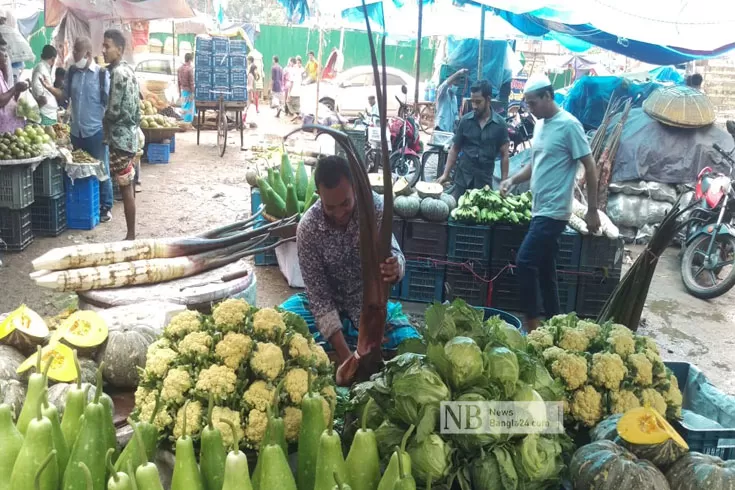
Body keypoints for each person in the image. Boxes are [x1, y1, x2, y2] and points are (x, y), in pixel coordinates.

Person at [280, 156, 420, 365]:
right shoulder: (308, 228)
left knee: (411, 344)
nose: (339, 213)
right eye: (330, 206)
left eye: (345, 203)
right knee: (280, 324)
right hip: (326, 304)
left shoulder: (374, 207)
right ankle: (342, 341)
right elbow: (319, 299)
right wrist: (348, 359)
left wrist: (396, 266)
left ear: (354, 187)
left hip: (369, 306)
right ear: (319, 195)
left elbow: (394, 252)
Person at [499, 74, 600, 332]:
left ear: (547, 96)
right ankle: (557, 326)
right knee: (545, 271)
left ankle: (532, 327)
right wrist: (512, 180)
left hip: (554, 212)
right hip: (538, 208)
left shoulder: (569, 125)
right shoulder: (542, 125)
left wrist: (592, 210)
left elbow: (590, 165)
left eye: (533, 103)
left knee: (524, 262)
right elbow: (537, 163)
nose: (530, 109)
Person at [53, 37, 113, 222]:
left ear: (87, 54)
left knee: (101, 168)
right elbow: (65, 96)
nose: (73, 55)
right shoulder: (72, 72)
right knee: (77, 169)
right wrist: (49, 89)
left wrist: (107, 131)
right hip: (76, 131)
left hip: (95, 131)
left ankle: (105, 206)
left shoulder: (102, 75)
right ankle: (83, 205)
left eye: (76, 51)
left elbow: (109, 105)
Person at [436, 79, 510, 199]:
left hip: (484, 184)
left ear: (488, 100)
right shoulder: (465, 121)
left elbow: (504, 155)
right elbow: (455, 149)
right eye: (472, 101)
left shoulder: (500, 125)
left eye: (478, 102)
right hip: (462, 180)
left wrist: (504, 181)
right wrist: (445, 174)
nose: (474, 106)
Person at [102, 29, 140, 240]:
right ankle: (131, 233)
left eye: (107, 46)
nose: (104, 50)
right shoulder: (129, 71)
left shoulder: (117, 74)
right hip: (130, 136)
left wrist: (102, 120)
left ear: (120, 49)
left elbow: (114, 111)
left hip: (119, 138)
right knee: (129, 185)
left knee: (125, 188)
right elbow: (137, 111)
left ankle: (131, 235)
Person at [0, 46, 29, 134]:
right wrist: (15, 88)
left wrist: (18, 91)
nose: (6, 57)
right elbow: (1, 101)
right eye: (3, 54)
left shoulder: (1, 72)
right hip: (4, 132)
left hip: (11, 129)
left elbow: (7, 95)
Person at [31, 45, 58, 126]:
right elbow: (39, 93)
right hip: (45, 113)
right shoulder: (40, 69)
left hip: (49, 112)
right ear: (53, 58)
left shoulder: (46, 68)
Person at [434, 68, 467, 132]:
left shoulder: (454, 97)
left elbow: (455, 114)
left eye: (457, 85)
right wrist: (458, 73)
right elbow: (445, 85)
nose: (456, 87)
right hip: (440, 128)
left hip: (450, 130)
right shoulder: (442, 93)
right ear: (450, 83)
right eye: (455, 84)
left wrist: (458, 123)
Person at [177, 52, 194, 123]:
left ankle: (183, 121)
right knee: (189, 107)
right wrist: (193, 92)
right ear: (190, 60)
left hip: (183, 90)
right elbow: (191, 82)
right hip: (189, 91)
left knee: (183, 106)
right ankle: (188, 122)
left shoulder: (179, 69)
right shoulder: (190, 69)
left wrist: (179, 91)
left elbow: (178, 81)